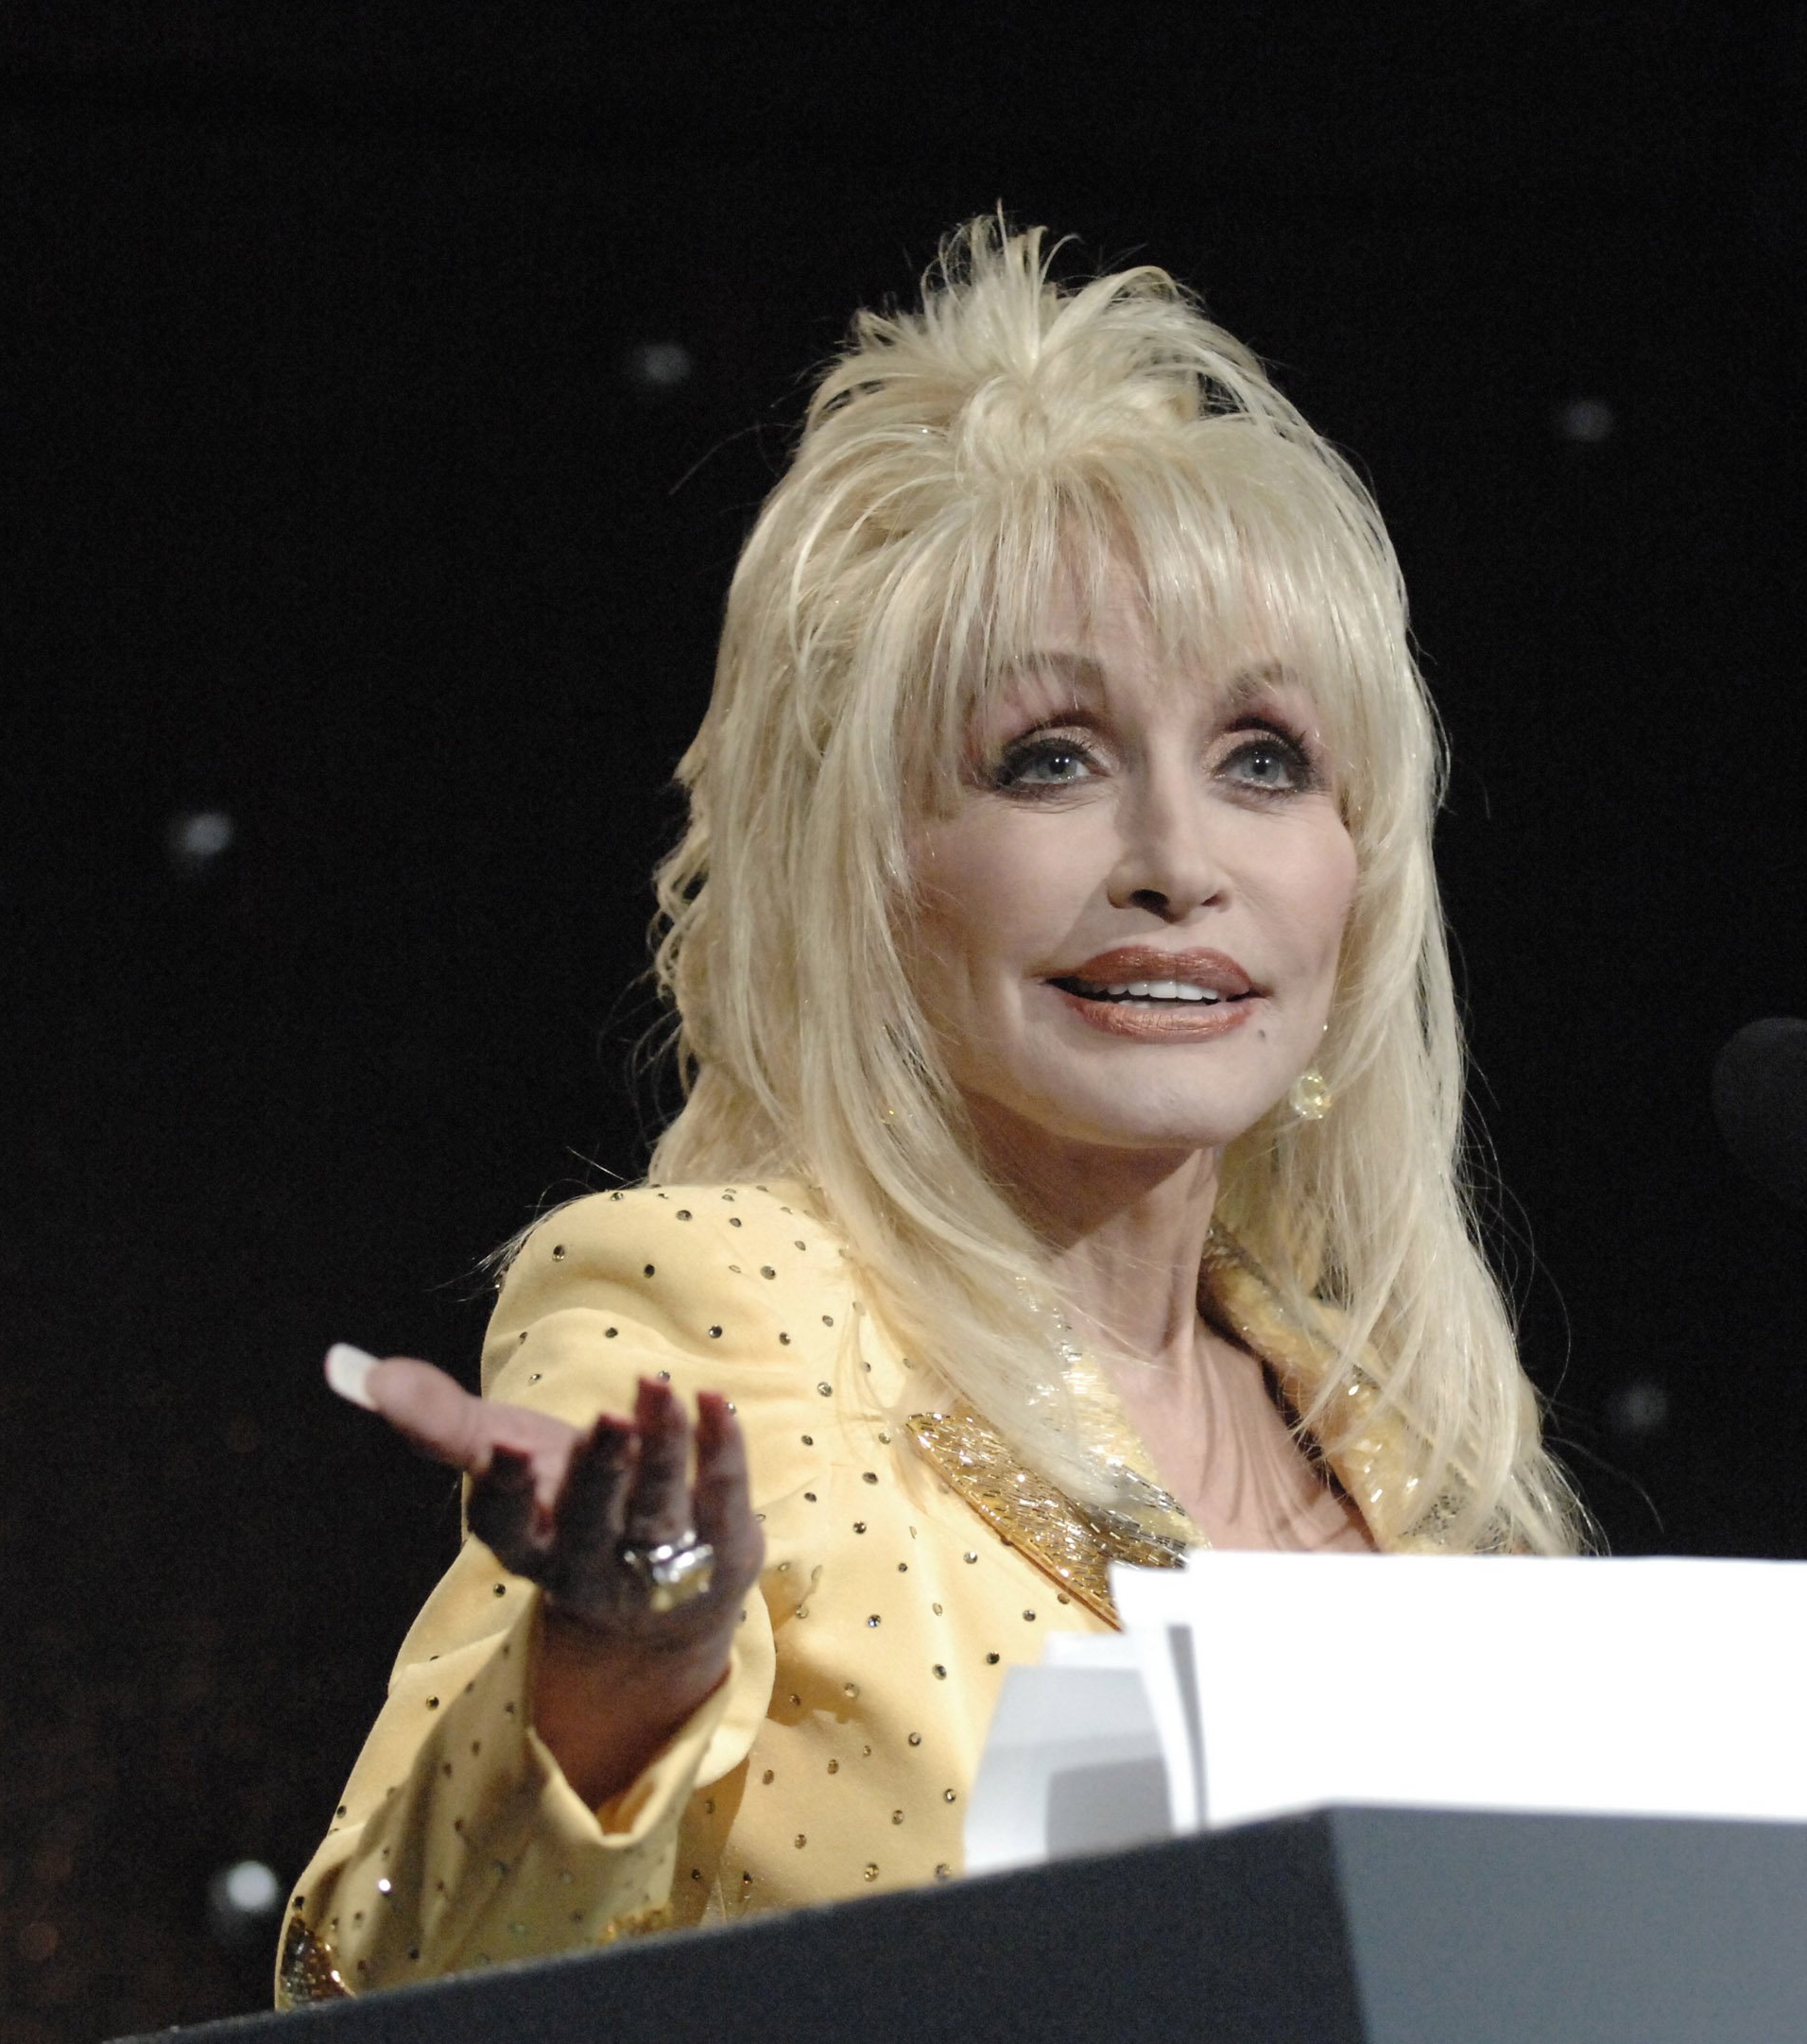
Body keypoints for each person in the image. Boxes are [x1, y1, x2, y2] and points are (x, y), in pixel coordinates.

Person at [276, 216, 1592, 2006]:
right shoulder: (723, 1309)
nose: (1177, 863)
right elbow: (390, 1982)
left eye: (1265, 759)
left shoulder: (1408, 1441)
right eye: (1048, 757)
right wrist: (618, 1676)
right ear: (873, 870)